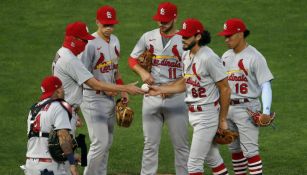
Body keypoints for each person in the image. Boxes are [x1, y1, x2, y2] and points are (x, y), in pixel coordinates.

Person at [148, 18, 231, 175]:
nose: (182, 40)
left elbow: (225, 88)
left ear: (198, 37)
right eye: (182, 36)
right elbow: (185, 83)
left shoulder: (209, 58)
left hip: (207, 115)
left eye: (186, 37)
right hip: (194, 113)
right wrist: (160, 89)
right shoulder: (186, 55)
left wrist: (222, 119)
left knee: (193, 164)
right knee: (212, 158)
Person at [128, 2, 189, 174]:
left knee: (181, 145)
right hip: (151, 95)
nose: (162, 23)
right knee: (149, 145)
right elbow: (132, 59)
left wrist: (170, 88)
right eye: (159, 20)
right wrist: (142, 73)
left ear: (175, 17)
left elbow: (192, 71)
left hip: (176, 97)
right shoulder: (148, 37)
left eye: (166, 20)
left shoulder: (184, 39)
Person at [52, 21, 144, 136]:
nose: (86, 44)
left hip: (65, 110)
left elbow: (71, 88)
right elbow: (94, 84)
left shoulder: (62, 52)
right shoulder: (71, 60)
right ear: (73, 40)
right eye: (83, 40)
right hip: (64, 113)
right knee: (66, 151)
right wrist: (126, 88)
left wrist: (75, 113)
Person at [218, 18, 274, 175]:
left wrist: (266, 111)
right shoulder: (226, 56)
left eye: (229, 36)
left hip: (247, 108)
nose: (226, 39)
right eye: (225, 36)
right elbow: (222, 86)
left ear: (240, 34)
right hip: (228, 108)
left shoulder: (255, 57)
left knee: (250, 151)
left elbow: (266, 85)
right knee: (234, 150)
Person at [78, 6, 126, 175]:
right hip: (92, 98)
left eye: (111, 24)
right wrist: (108, 90)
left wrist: (123, 90)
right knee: (100, 142)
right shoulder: (89, 44)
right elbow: (83, 75)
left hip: (110, 98)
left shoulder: (115, 40)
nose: (109, 28)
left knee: (108, 142)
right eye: (105, 24)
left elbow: (115, 68)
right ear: (97, 22)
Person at [25, 76, 78, 175]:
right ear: (58, 91)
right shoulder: (59, 106)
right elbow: (63, 138)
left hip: (30, 165)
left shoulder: (33, 109)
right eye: (62, 88)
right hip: (49, 166)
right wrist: (72, 162)